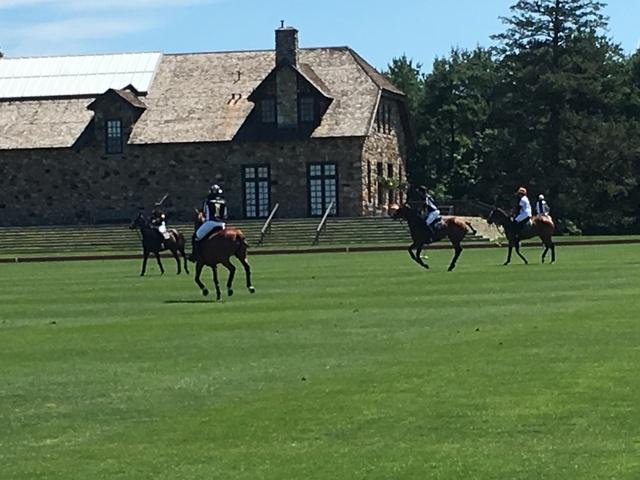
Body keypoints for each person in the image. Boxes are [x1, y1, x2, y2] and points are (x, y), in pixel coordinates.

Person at [189, 184, 227, 262]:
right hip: (222, 224)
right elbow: (225, 215)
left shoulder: (208, 201)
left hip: (211, 223)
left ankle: (195, 255)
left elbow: (204, 213)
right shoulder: (223, 201)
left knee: (196, 236)